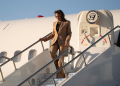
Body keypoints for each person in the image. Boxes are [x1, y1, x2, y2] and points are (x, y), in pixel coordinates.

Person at [39, 10, 72, 78]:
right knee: (52, 53)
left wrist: (67, 40)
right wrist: (44, 39)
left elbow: (69, 33)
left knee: (61, 57)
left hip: (63, 42)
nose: (57, 17)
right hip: (55, 41)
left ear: (61, 15)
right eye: (56, 16)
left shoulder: (67, 22)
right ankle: (58, 67)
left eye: (58, 16)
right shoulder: (54, 23)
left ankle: (59, 75)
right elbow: (53, 34)